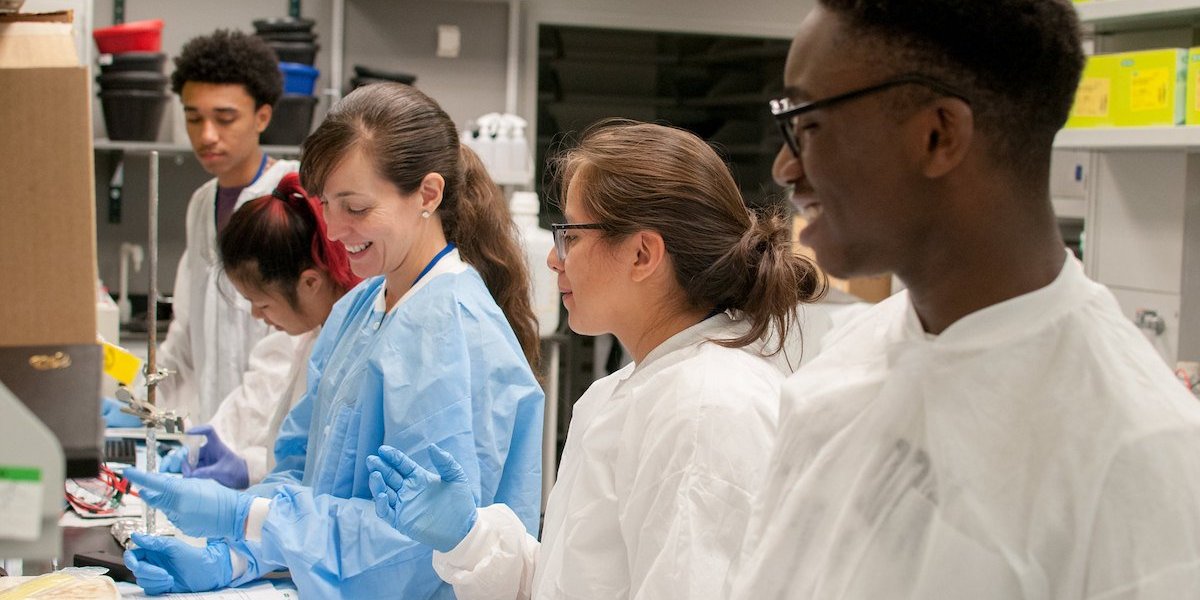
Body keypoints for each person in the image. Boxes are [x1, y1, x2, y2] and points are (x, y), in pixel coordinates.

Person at [727, 1, 1200, 598]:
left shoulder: (1137, 456)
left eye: (809, 125)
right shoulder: (849, 360)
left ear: (938, 135)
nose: (786, 166)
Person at [365, 119, 826, 599]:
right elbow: (576, 582)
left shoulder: (706, 407)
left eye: (570, 235)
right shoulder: (632, 389)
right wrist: (470, 538)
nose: (552, 259)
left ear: (642, 254)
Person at [121, 83, 545, 599]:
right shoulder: (358, 309)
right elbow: (302, 474)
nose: (336, 230)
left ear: (428, 195)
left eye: (357, 208)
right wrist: (234, 556)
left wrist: (247, 514)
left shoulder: (450, 329)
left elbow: (413, 548)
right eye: (326, 205)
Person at [157, 172, 360, 489]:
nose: (256, 315)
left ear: (309, 283)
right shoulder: (316, 337)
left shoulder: (352, 349)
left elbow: (323, 477)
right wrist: (246, 467)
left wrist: (246, 476)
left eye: (263, 304)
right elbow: (289, 455)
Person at [144, 30, 300, 430]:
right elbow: (186, 335)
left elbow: (288, 345)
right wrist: (144, 400)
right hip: (214, 432)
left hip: (270, 439)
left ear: (262, 117)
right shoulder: (201, 205)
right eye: (193, 118)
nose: (206, 135)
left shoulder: (288, 198)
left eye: (224, 118)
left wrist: (231, 437)